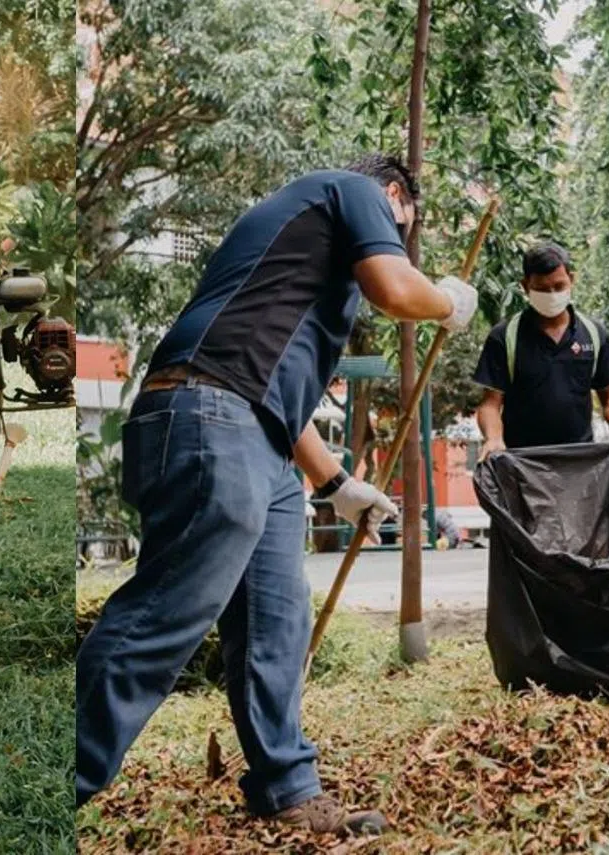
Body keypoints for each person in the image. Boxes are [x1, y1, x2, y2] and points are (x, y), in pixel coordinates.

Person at [76, 154, 479, 835]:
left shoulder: (298, 253)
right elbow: (393, 288)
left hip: (253, 429)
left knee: (276, 618)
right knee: (164, 616)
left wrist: (337, 483)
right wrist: (447, 301)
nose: (395, 239)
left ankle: (285, 786)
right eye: (400, 227)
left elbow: (276, 395)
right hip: (208, 414)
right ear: (393, 196)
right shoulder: (352, 192)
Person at [473, 242, 609, 460]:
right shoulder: (505, 336)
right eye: (542, 289)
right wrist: (494, 438)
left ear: (571, 280)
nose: (552, 294)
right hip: (523, 464)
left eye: (559, 286)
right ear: (526, 286)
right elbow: (491, 402)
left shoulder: (593, 334)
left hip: (579, 463)